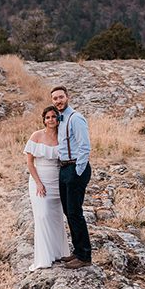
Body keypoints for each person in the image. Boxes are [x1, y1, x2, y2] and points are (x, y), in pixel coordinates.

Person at [52, 86, 92, 268]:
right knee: (69, 212)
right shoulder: (60, 119)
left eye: (61, 97)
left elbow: (85, 147)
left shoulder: (75, 118)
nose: (58, 101)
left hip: (76, 168)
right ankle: (77, 251)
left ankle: (84, 257)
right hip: (64, 168)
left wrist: (78, 171)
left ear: (67, 97)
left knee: (75, 212)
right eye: (55, 99)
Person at [24, 105, 68, 269]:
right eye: (48, 117)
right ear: (44, 120)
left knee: (56, 218)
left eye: (54, 117)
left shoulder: (62, 137)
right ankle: (43, 259)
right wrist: (39, 183)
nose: (51, 120)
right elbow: (29, 162)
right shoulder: (36, 136)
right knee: (42, 216)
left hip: (57, 182)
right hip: (39, 181)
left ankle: (58, 254)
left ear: (58, 119)